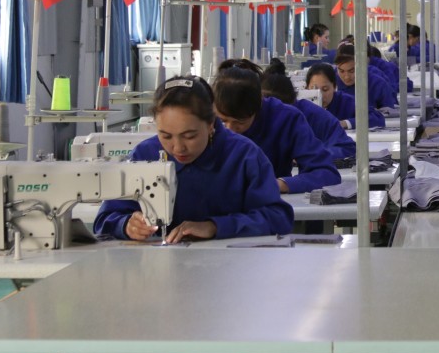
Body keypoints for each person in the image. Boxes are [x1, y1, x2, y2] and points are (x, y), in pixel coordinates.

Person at [94, 76, 293, 243]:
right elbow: (104, 220)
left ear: (210, 124)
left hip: (231, 268)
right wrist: (126, 225)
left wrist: (215, 226)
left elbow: (278, 218)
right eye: (166, 136)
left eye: (189, 136)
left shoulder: (244, 156)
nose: (178, 147)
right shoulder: (144, 154)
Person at [212, 59, 340, 194]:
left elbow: (327, 173)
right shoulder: (204, 120)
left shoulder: (286, 119)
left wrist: (278, 184)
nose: (230, 129)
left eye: (240, 122)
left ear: (259, 106)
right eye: (222, 121)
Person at [262, 59, 356, 160]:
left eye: (325, 89)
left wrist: (310, 155)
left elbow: (347, 147)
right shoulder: (254, 118)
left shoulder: (314, 115)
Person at [307, 62, 386, 129]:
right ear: (306, 88)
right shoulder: (302, 105)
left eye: (325, 89)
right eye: (314, 89)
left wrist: (345, 123)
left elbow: (377, 118)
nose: (320, 95)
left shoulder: (345, 102)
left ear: (334, 87)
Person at [335, 44, 398, 109]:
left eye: (352, 71)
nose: (346, 77)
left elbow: (389, 111)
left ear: (362, 66)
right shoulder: (332, 79)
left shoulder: (378, 84)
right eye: (341, 71)